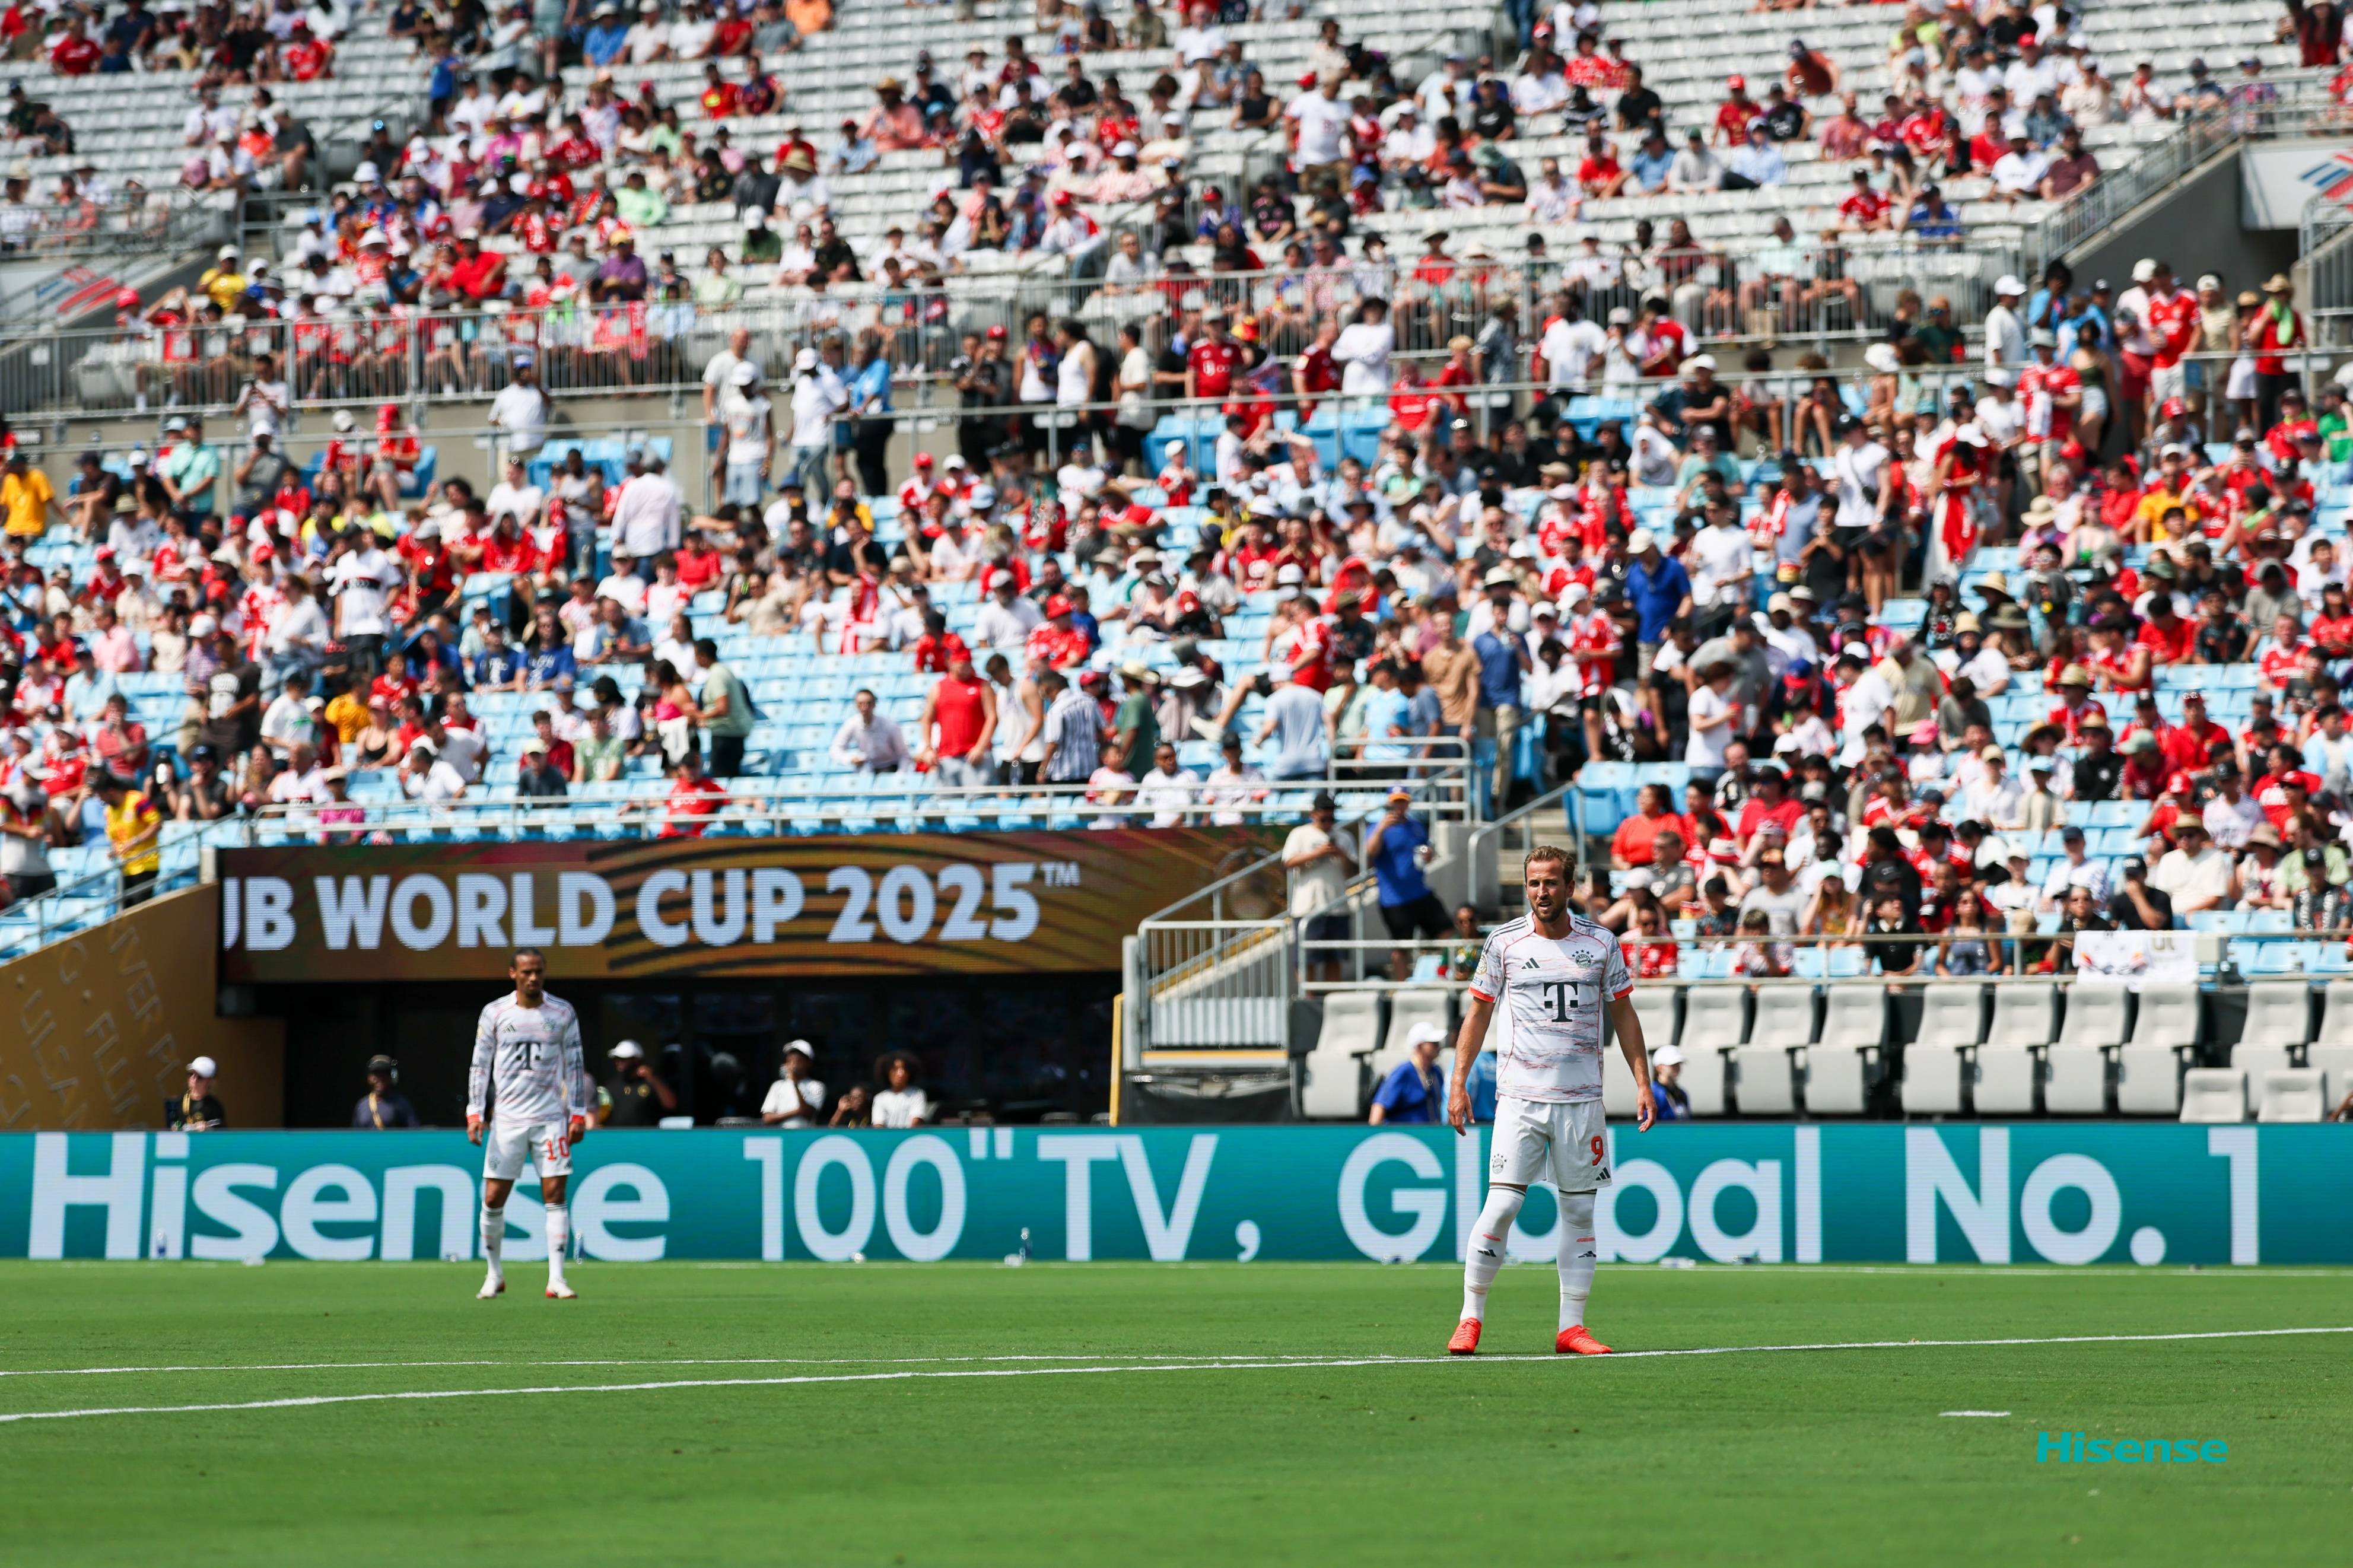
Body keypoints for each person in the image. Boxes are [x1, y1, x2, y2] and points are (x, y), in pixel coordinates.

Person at [1446, 844, 1655, 1357]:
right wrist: (1458, 1081)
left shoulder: (1601, 942)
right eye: (1534, 883)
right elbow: (1478, 1014)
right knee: (1502, 1205)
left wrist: (1643, 1081)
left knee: (1579, 1210)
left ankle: (1571, 1327)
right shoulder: (1503, 942)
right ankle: (1470, 1317)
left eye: (1551, 882)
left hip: (1582, 1100)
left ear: (1569, 886)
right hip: (1520, 1097)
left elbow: (1624, 1014)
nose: (1542, 891)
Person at [466, 948, 589, 1300]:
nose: (533, 978)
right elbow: (480, 1065)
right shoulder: (495, 1013)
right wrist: (475, 1112)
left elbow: (575, 1064)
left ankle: (557, 1278)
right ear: (513, 974)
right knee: (493, 1197)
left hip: (550, 1118)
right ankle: (494, 1274)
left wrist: (577, 1113)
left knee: (555, 1194)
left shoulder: (562, 1012)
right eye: (526, 972)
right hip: (507, 1120)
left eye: (538, 971)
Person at [1363, 787, 1448, 978]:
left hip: (1420, 892)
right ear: (1389, 803)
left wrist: (1429, 855)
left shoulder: (1416, 826)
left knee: (1448, 934)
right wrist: (1382, 828)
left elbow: (1426, 849)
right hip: (1394, 899)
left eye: (1402, 801)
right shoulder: (1377, 827)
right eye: (1396, 802)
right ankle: (1402, 988)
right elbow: (1370, 853)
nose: (1399, 806)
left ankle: (1449, 976)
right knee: (1402, 948)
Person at [1284, 791, 1357, 984]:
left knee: (1335, 959)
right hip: (1307, 908)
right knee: (1306, 960)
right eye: (1324, 819)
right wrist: (1317, 854)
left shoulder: (1344, 837)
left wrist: (1341, 854)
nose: (1328, 823)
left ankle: (1331, 997)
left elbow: (1355, 871)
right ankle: (1308, 998)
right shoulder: (1300, 834)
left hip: (1337, 907)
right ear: (1313, 814)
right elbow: (1288, 862)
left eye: (1332, 819)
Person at [93, 771, 162, 907]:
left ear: (111, 792)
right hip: (126, 867)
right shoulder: (109, 812)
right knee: (125, 910)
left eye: (101, 795)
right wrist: (114, 850)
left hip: (145, 864)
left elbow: (156, 824)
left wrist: (135, 841)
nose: (100, 800)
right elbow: (115, 838)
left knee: (140, 909)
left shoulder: (137, 801)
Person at [1368, 1022, 1446, 1124]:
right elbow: (1379, 1106)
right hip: (1404, 1133)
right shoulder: (1403, 1072)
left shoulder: (1436, 1072)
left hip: (1430, 1132)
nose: (1439, 1047)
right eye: (1434, 1044)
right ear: (1419, 1046)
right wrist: (1374, 1132)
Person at [603, 1038, 679, 1126]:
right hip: (618, 1134)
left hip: (645, 1134)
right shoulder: (613, 1084)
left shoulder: (651, 1082)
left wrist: (653, 1079)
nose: (618, 1062)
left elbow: (671, 1105)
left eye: (623, 1058)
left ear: (636, 1060)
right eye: (617, 1058)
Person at [760, 1040, 826, 1127]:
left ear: (808, 1063)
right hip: (781, 1134)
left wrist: (795, 1084)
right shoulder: (777, 1086)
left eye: (798, 1061)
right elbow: (767, 1119)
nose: (793, 1065)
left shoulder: (817, 1086)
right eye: (789, 1061)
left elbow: (808, 1113)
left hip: (804, 1134)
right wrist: (796, 1112)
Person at [352, 1054, 419, 1129]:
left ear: (391, 1078)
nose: (380, 1079)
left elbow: (414, 1132)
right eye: (376, 1075)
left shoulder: (402, 1104)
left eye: (384, 1074)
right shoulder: (361, 1105)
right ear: (369, 1078)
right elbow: (355, 1134)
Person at [871, 1052, 931, 1127]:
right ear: (887, 1072)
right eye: (895, 1069)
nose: (901, 1073)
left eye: (905, 1069)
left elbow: (916, 1121)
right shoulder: (880, 1098)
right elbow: (878, 1124)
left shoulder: (917, 1094)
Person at [168, 1054, 227, 1131]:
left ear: (209, 1081)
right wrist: (175, 1127)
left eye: (199, 1077)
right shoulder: (180, 1101)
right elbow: (176, 1122)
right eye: (191, 1074)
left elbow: (221, 1131)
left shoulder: (214, 1106)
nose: (193, 1079)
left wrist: (207, 1129)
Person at [1648, 1044, 1690, 1121]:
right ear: (1659, 1067)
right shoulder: (1652, 1094)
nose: (1677, 1067)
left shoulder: (1682, 1094)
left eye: (1678, 1064)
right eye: (1673, 1064)